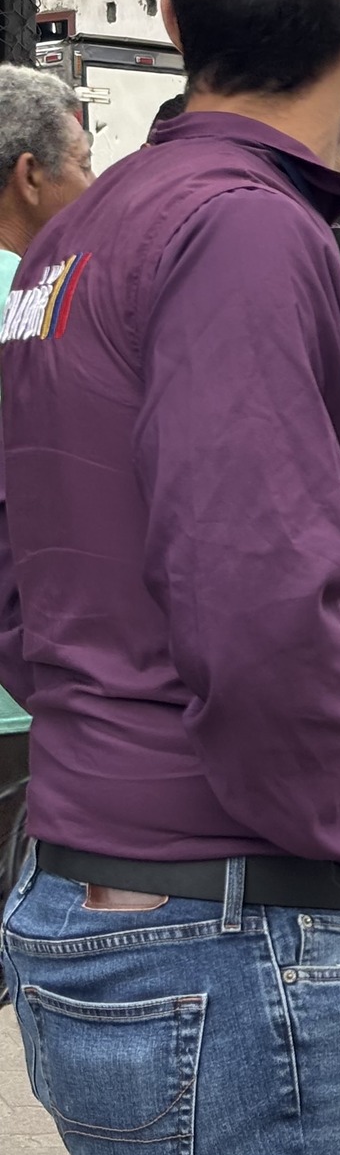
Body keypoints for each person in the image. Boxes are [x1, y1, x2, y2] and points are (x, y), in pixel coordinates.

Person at [0, 0, 340, 1155]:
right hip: (230, 921)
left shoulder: (71, 241)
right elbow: (258, 604)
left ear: (171, 19)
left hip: (97, 882)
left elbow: (22, 577)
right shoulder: (244, 234)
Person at [0, 64, 94, 899]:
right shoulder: (46, 298)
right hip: (26, 698)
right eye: (86, 165)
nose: (94, 189)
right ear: (30, 175)